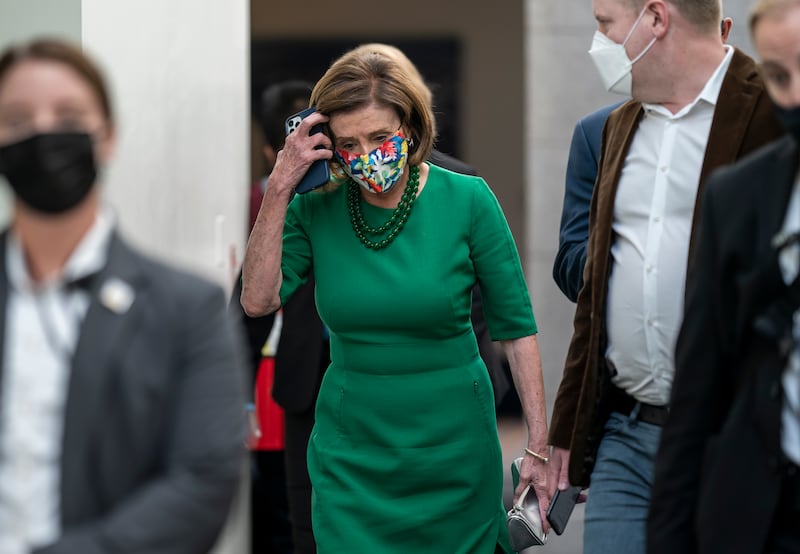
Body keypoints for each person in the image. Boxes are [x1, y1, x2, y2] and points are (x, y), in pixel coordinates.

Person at [241, 43, 549, 552]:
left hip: (453, 448)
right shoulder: (312, 207)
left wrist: (538, 444)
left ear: (409, 126)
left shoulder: (467, 199)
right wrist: (279, 188)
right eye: (349, 143)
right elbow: (257, 300)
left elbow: (516, 327)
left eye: (380, 137)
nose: (366, 156)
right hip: (352, 451)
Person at [546, 1, 785, 552]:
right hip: (628, 435)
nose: (598, 42)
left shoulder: (773, 113)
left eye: (604, 23)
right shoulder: (617, 127)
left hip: (734, 436)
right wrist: (569, 428)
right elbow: (595, 297)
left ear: (655, 18)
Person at [0, 38, 246, 553]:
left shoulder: (186, 309)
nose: (44, 133)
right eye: (18, 120)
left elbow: (203, 481)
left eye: (68, 115)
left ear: (107, 137)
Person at [648, 1, 800, 552]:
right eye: (780, 76)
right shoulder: (739, 196)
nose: (796, 95)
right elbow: (698, 391)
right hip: (761, 511)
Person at [553, 18, 732, 302]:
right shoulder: (596, 132)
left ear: (723, 32)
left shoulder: (757, 123)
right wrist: (628, 239)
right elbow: (568, 268)